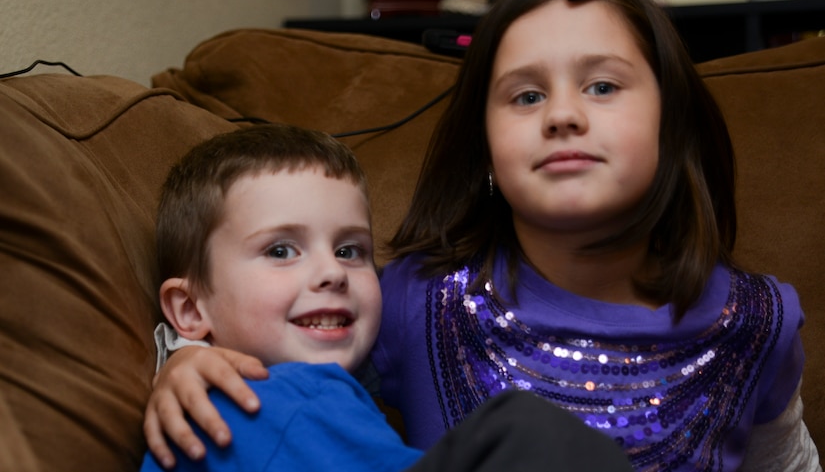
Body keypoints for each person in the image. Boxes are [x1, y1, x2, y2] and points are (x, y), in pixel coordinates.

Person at [142, 0, 822, 471]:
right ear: (486, 150)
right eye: (525, 97)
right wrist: (184, 356)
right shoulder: (418, 298)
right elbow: (278, 346)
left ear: (674, 127)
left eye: (601, 85)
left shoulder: (755, 322)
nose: (561, 114)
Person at [139, 123, 635, 471]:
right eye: (282, 249)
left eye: (350, 249)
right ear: (188, 309)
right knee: (531, 433)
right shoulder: (286, 399)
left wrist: (181, 358)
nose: (332, 271)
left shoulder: (245, 399)